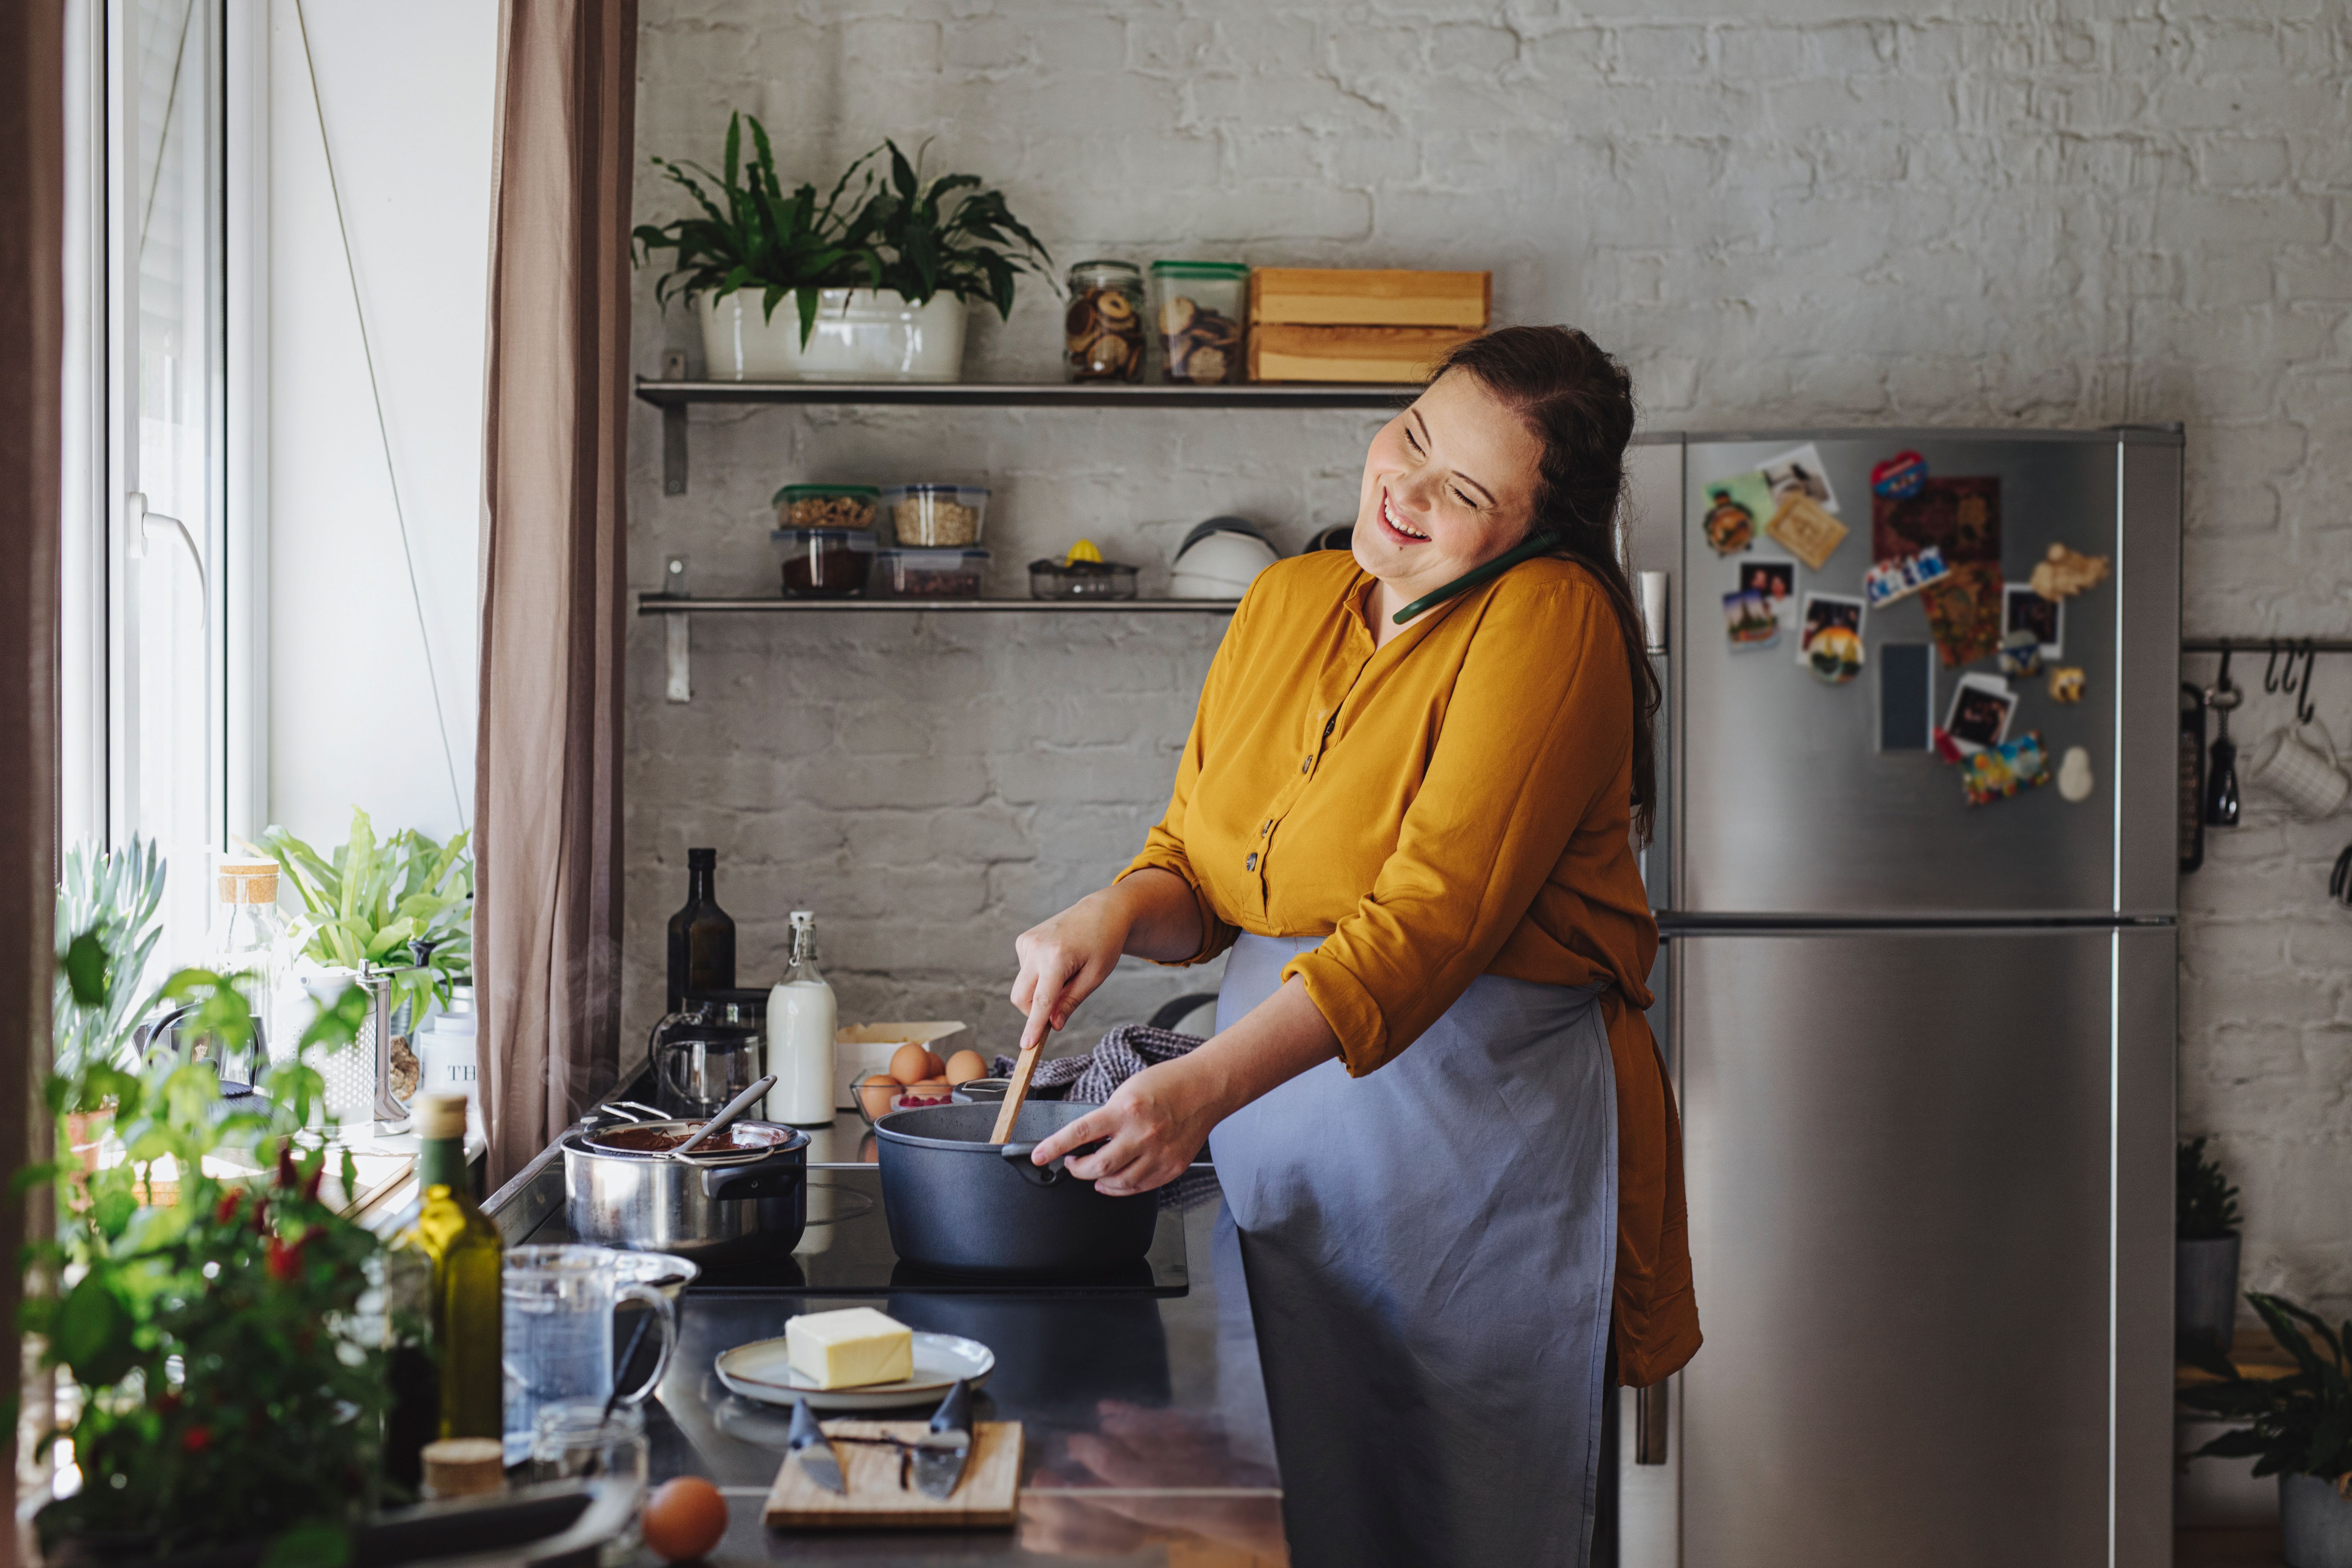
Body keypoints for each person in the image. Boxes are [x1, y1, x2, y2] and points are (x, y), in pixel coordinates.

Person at [1013, 325, 1701, 1567]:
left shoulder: (1552, 622)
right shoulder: (1287, 599)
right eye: (1416, 437)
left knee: (1466, 1522)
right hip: (1285, 1148)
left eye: (1468, 491)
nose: (1409, 489)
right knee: (1295, 1515)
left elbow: (1427, 929)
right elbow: (1202, 868)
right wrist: (1108, 914)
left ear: (1538, 528)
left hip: (1473, 1162)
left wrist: (1205, 1085)